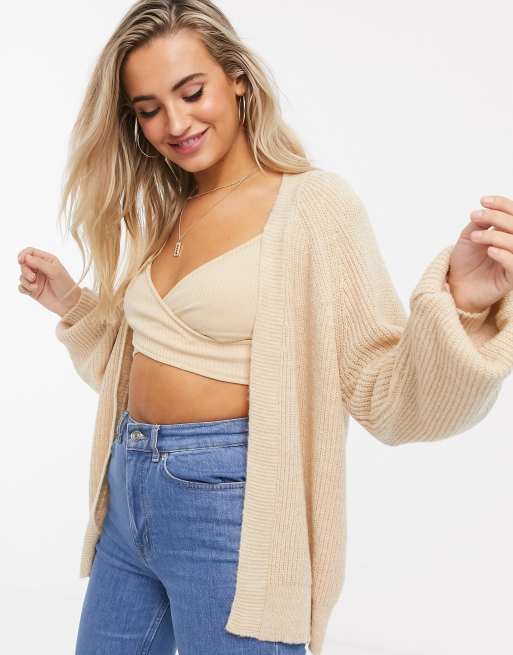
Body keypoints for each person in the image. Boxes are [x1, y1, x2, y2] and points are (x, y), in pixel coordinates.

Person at [16, 1, 513, 654]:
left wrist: (462, 303)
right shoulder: (165, 209)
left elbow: (381, 386)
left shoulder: (312, 205)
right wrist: (75, 306)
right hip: (126, 485)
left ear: (237, 79)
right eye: (149, 108)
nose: (176, 123)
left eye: (191, 92)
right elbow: (144, 364)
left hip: (229, 506)